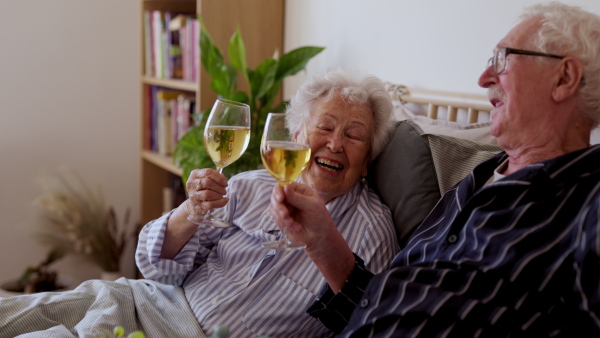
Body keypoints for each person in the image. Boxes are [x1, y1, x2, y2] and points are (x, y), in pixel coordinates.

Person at [269, 2, 600, 337]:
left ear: (564, 77)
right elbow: (383, 305)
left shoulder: (587, 205)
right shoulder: (475, 181)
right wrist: (322, 241)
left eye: (502, 60)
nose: (484, 79)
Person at [135, 69, 400, 337]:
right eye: (325, 127)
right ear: (296, 136)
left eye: (354, 136)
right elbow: (155, 267)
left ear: (367, 162)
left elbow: (370, 326)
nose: (335, 144)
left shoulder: (372, 232)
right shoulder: (248, 185)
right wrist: (190, 211)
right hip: (160, 308)